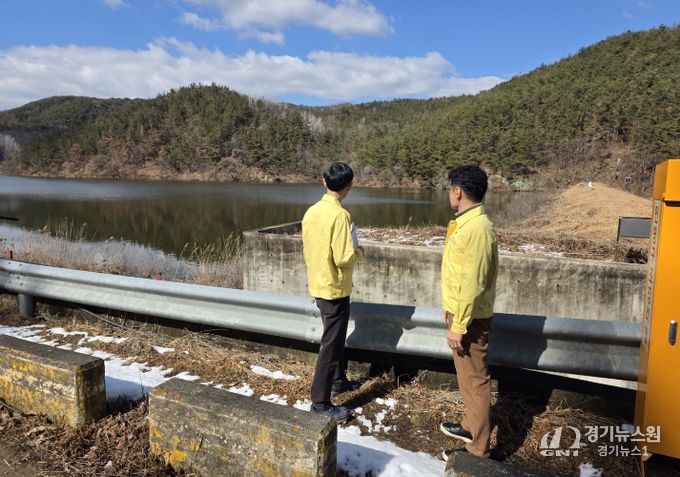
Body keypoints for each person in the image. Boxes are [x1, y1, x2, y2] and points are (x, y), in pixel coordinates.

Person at [439, 165, 498, 461]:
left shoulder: (477, 229)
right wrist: (450, 310)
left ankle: (477, 450)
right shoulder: (466, 223)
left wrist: (459, 325)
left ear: (458, 191)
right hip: (463, 315)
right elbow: (459, 275)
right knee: (469, 380)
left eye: (450, 188)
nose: (449, 193)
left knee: (475, 382)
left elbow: (473, 284)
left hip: (470, 320)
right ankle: (470, 428)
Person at [302, 162, 364, 423]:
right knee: (331, 344)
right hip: (334, 288)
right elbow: (343, 257)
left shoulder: (312, 212)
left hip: (318, 284)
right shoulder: (340, 216)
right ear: (349, 187)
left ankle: (338, 381)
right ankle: (320, 403)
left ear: (324, 182)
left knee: (334, 338)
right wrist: (359, 253)